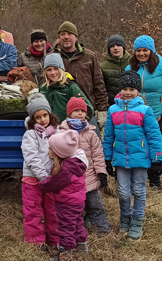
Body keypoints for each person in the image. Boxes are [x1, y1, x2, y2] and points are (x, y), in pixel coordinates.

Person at [102, 71, 162, 240]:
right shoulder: (113, 110)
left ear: (138, 91)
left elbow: (154, 135)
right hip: (120, 158)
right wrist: (106, 158)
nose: (128, 92)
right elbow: (108, 136)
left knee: (138, 190)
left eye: (132, 89)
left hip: (140, 159)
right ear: (120, 90)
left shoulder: (145, 110)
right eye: (125, 89)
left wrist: (157, 159)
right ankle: (125, 218)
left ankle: (137, 222)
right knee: (122, 192)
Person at [125, 35, 162, 204]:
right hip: (139, 118)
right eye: (138, 50)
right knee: (145, 152)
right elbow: (126, 91)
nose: (142, 53)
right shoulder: (130, 67)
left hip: (161, 118)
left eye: (145, 50)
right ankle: (154, 185)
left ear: (152, 50)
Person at [59, 97, 111, 235]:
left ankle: (103, 228)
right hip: (71, 179)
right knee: (74, 207)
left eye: (82, 110)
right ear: (69, 113)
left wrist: (101, 172)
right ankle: (77, 230)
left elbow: (98, 155)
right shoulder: (62, 133)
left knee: (95, 204)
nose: (80, 113)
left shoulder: (91, 133)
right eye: (76, 110)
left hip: (89, 177)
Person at [39, 130, 88, 261]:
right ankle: (82, 247)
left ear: (60, 153)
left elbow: (52, 183)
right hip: (78, 201)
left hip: (67, 203)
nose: (49, 150)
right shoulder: (77, 162)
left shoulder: (65, 170)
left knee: (65, 228)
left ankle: (65, 257)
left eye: (51, 149)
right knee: (77, 223)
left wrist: (41, 185)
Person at [20, 97, 60, 249]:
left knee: (53, 210)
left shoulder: (58, 132)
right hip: (33, 179)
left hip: (52, 179)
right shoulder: (30, 135)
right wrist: (43, 176)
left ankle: (55, 240)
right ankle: (35, 241)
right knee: (33, 210)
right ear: (32, 119)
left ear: (50, 115)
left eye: (45, 115)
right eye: (38, 117)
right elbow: (31, 156)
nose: (42, 120)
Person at [54, 21, 109, 130]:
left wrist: (103, 111)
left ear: (76, 36)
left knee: (93, 142)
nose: (66, 37)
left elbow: (99, 84)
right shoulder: (53, 57)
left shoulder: (89, 57)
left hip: (86, 111)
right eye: (62, 34)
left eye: (69, 34)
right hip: (61, 112)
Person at [38, 53, 93, 122]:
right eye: (49, 70)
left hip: (67, 128)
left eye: (56, 69)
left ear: (61, 70)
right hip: (48, 128)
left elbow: (88, 106)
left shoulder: (70, 87)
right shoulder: (43, 89)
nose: (53, 72)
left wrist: (81, 124)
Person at [100, 34, 132, 107]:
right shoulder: (102, 67)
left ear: (123, 47)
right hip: (112, 106)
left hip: (132, 104)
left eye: (118, 45)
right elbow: (101, 89)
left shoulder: (133, 62)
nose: (115, 48)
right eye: (112, 46)